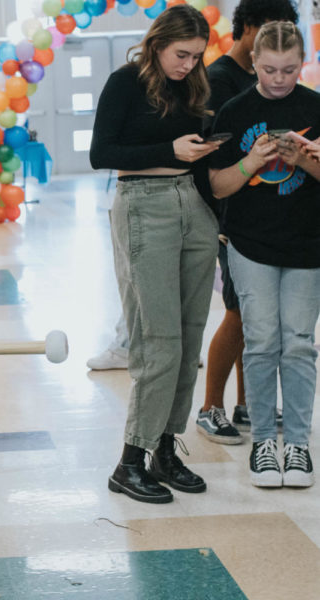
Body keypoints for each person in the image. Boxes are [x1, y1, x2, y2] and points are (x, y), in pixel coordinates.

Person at [90, 5, 224, 504]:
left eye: (195, 56)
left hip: (193, 206)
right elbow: (102, 154)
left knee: (190, 342)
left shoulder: (194, 86)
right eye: (180, 54)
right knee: (159, 340)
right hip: (144, 205)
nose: (188, 64)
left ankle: (165, 450)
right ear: (157, 43)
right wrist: (171, 150)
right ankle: (130, 461)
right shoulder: (125, 82)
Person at [209, 20, 320, 488]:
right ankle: (263, 446)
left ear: (302, 64)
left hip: (307, 246)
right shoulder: (234, 111)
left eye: (290, 70)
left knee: (298, 341)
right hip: (250, 244)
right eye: (270, 69)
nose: (279, 79)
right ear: (252, 61)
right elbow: (218, 185)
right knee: (261, 341)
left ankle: (296, 443)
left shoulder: (315, 106)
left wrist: (307, 161)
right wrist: (252, 161)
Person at [194, 0, 296, 445]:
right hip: (228, 217)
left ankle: (245, 403)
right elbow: (214, 157)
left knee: (255, 317)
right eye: (274, 30)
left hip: (266, 218)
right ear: (251, 30)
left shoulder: (265, 84)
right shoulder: (220, 82)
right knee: (239, 314)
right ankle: (210, 407)